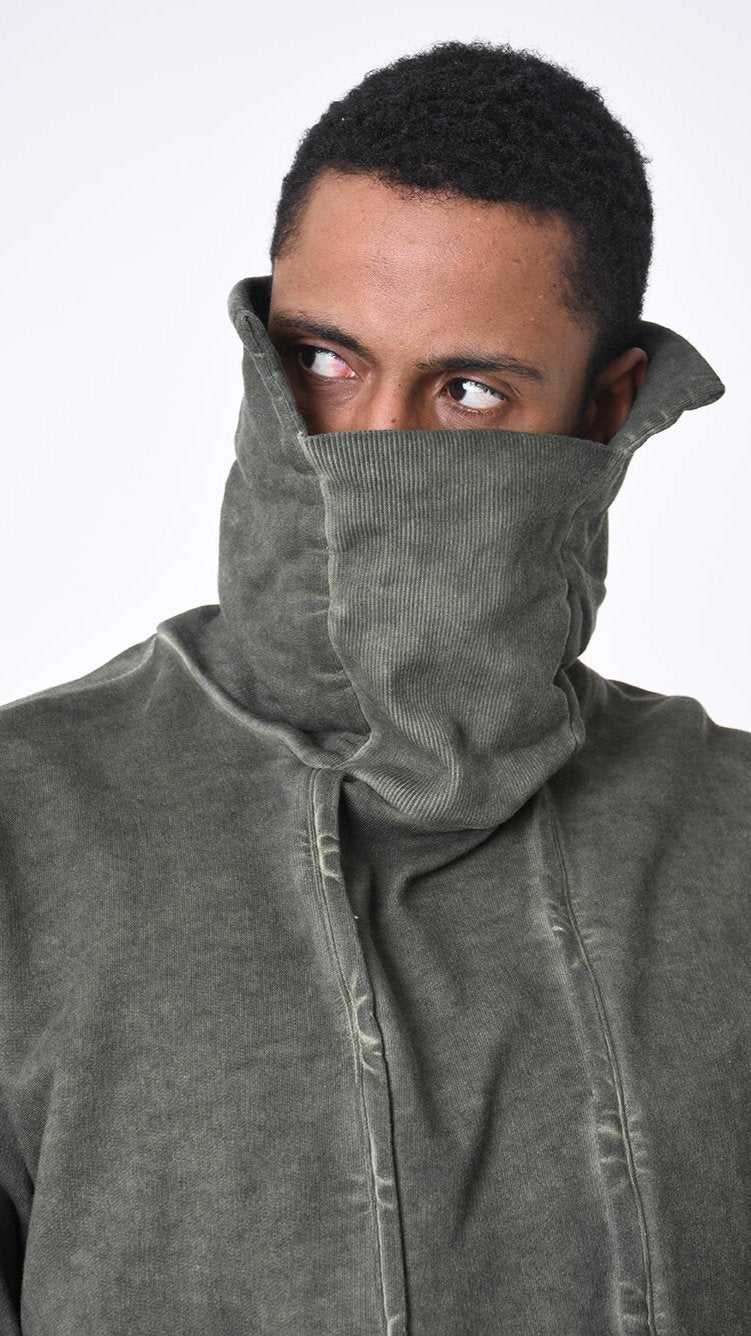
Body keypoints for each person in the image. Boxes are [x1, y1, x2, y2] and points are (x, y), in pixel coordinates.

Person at [0, 37, 747, 1336]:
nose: (368, 448)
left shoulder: (730, 838)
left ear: (605, 406)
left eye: (468, 389)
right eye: (326, 362)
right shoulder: (26, 832)